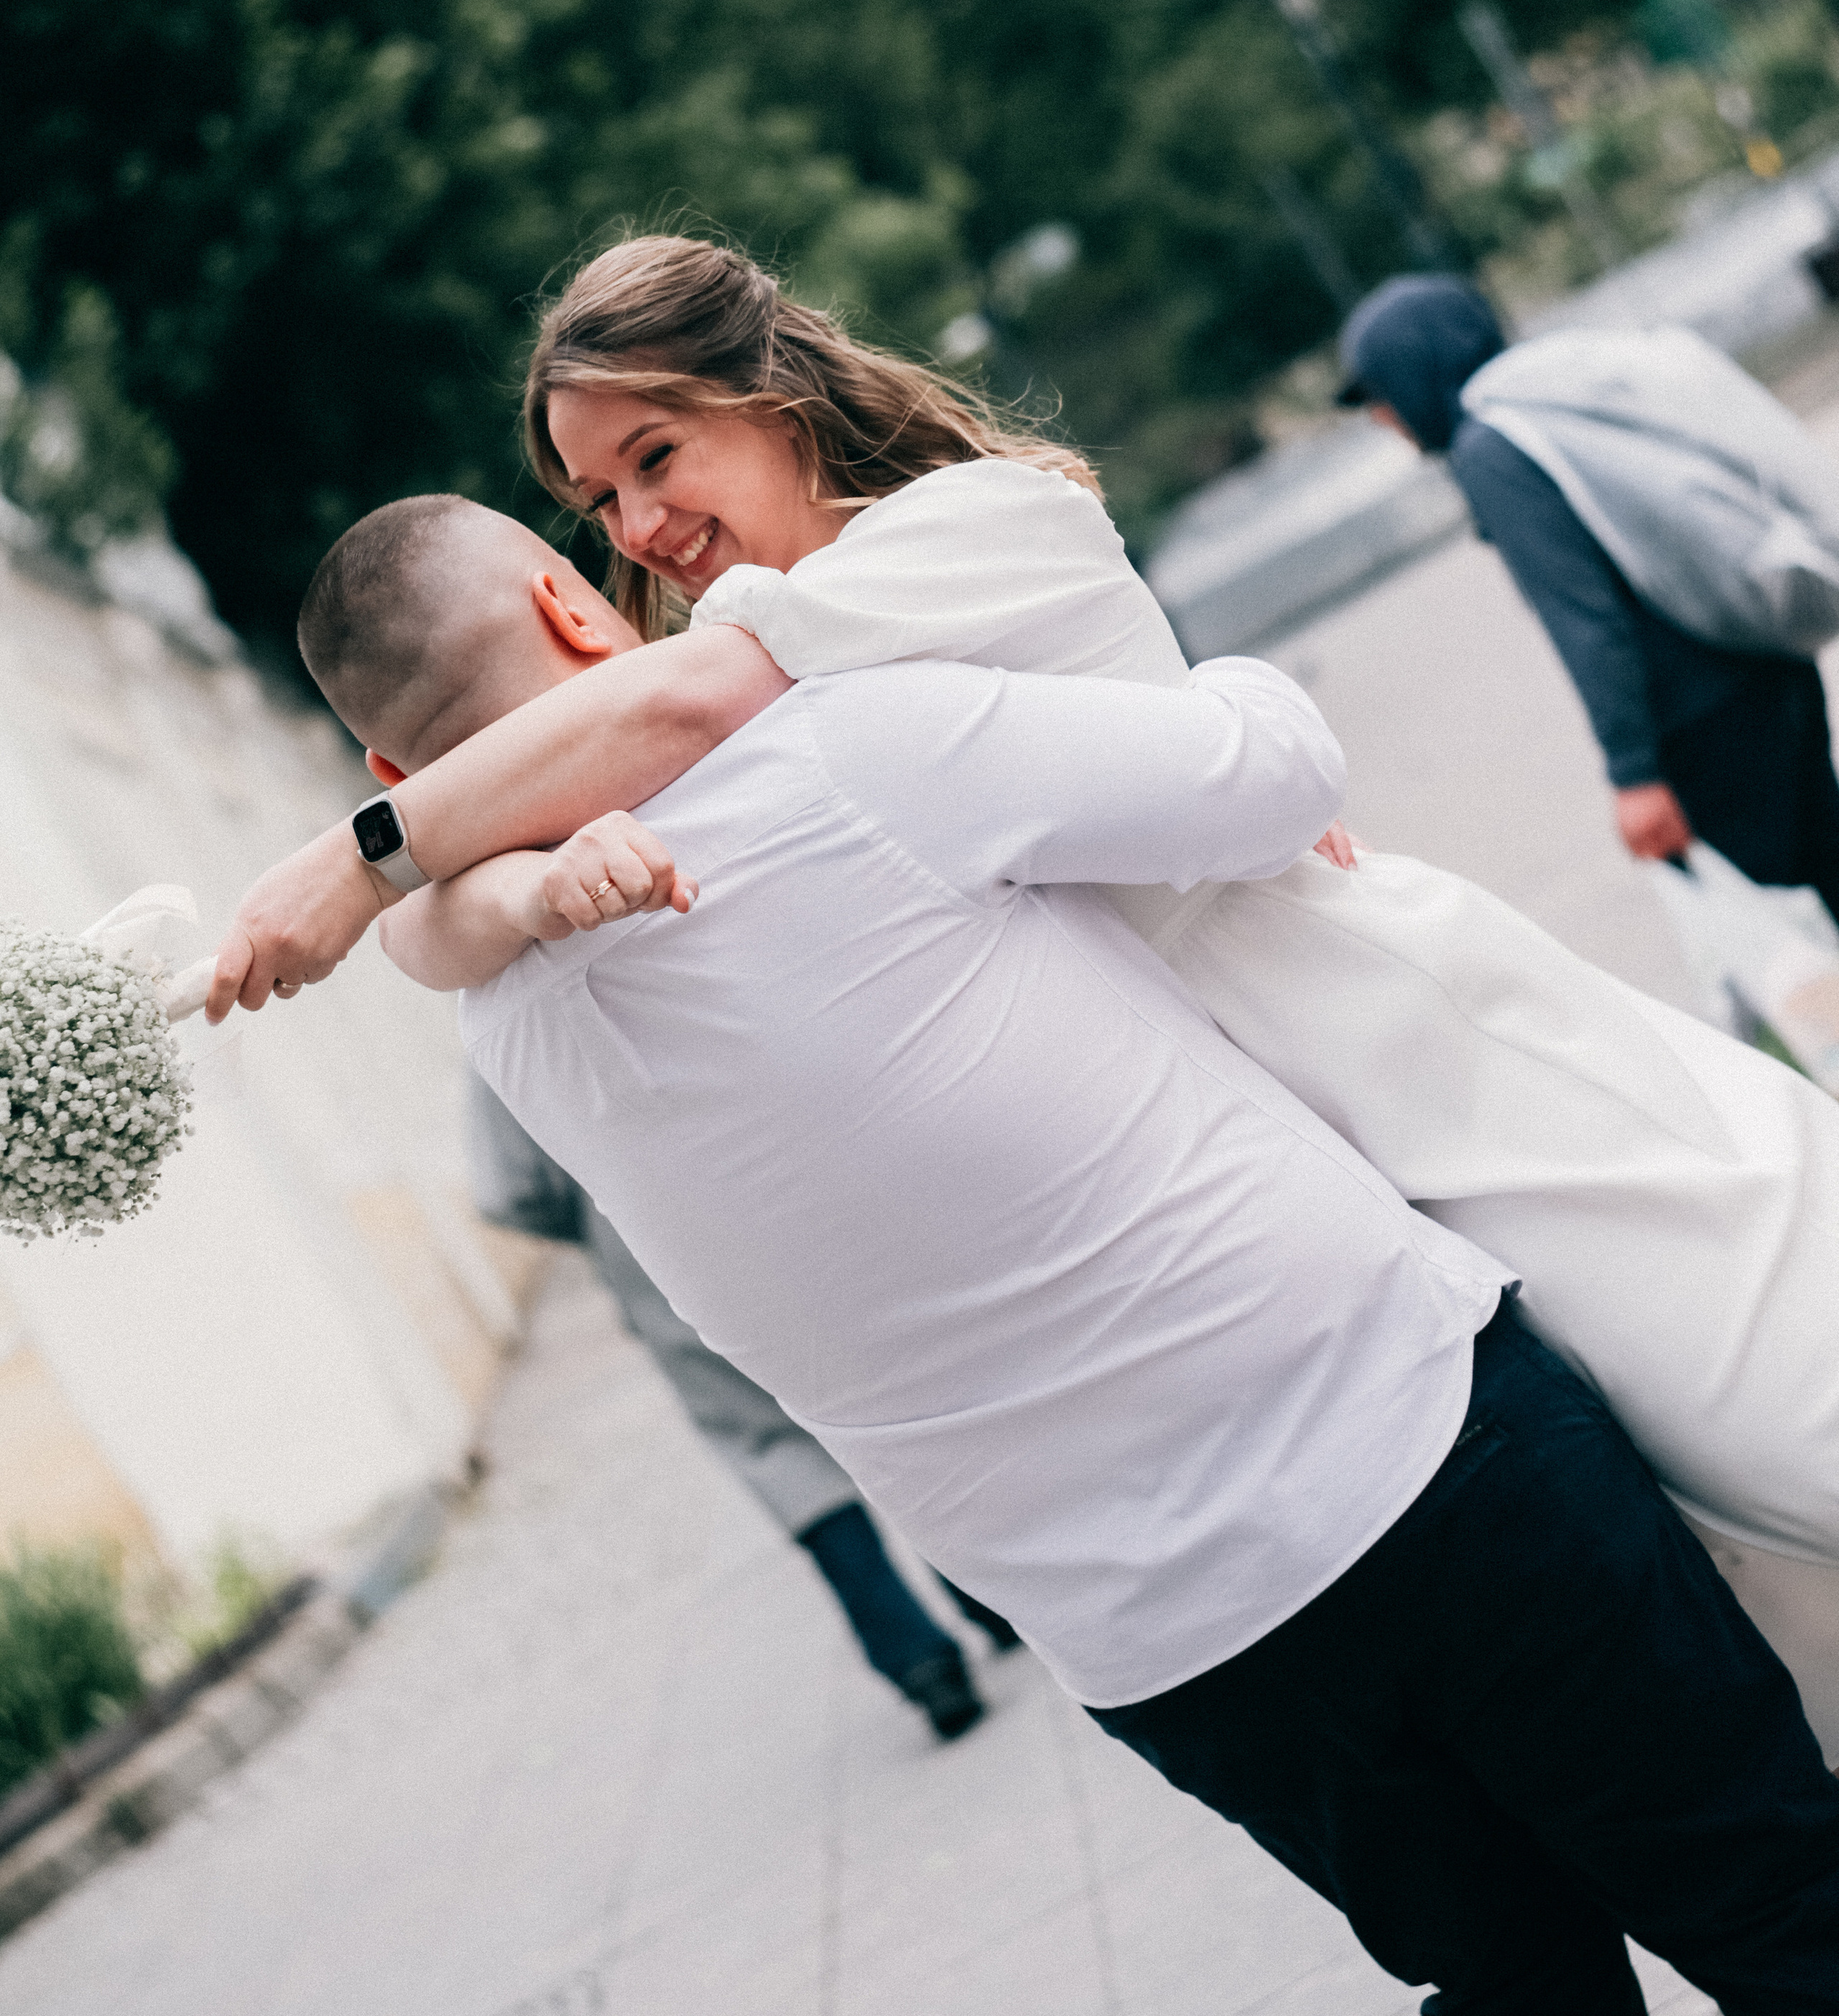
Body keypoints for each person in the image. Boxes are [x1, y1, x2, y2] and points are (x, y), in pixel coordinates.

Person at [300, 492, 1839, 2016]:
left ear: (399, 783)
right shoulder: (840, 753)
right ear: (571, 605)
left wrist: (468, 873)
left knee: (1509, 1995)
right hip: (1409, 1448)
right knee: (1775, 1896)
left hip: (1161, 1640)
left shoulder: (502, 1025)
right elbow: (1263, 769)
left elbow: (430, 918)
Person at [233, 236, 1839, 1754]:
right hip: (1259, 1122)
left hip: (1361, 1035)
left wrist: (356, 853)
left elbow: (674, 712)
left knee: (1760, 1402)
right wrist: (464, 892)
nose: (636, 527)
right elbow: (462, 925)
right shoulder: (740, 670)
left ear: (769, 391)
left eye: (656, 457)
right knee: (1731, 1569)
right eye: (596, 499)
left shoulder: (927, 547)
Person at [466, 1068, 1014, 1740]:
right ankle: (997, 1597)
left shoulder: (491, 1007)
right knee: (872, 1399)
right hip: (766, 1185)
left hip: (635, 1233)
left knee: (766, 1441)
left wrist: (590, 1211)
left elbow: (509, 1190)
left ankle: (920, 1661)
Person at [1335, 271, 1839, 910]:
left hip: (1702, 714)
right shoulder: (1540, 396)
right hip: (1757, 652)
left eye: (1379, 393)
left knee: (1816, 869)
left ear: (1416, 372)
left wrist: (1635, 777)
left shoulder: (1488, 449)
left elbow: (1585, 620)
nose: (1381, 417)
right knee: (1827, 849)